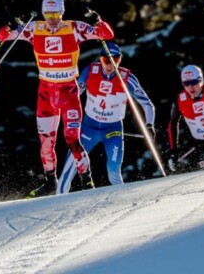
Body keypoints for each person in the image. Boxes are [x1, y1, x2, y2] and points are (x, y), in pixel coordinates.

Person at [0, 0, 115, 197]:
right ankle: (51, 181)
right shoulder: (34, 29)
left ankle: (87, 181)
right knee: (46, 141)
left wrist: (97, 20)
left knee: (72, 139)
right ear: (43, 13)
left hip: (68, 92)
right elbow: (1, 37)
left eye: (56, 14)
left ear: (62, 13)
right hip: (46, 94)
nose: (51, 19)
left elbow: (106, 35)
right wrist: (9, 26)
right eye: (48, 13)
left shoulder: (74, 28)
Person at [57, 42, 156, 194]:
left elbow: (147, 105)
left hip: (113, 130)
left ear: (119, 60)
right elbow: (75, 94)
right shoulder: (90, 71)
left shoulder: (126, 77)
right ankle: (58, 199)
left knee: (113, 171)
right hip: (88, 128)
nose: (109, 66)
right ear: (100, 59)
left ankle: (122, 203)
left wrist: (149, 125)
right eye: (105, 61)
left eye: (114, 61)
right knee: (69, 168)